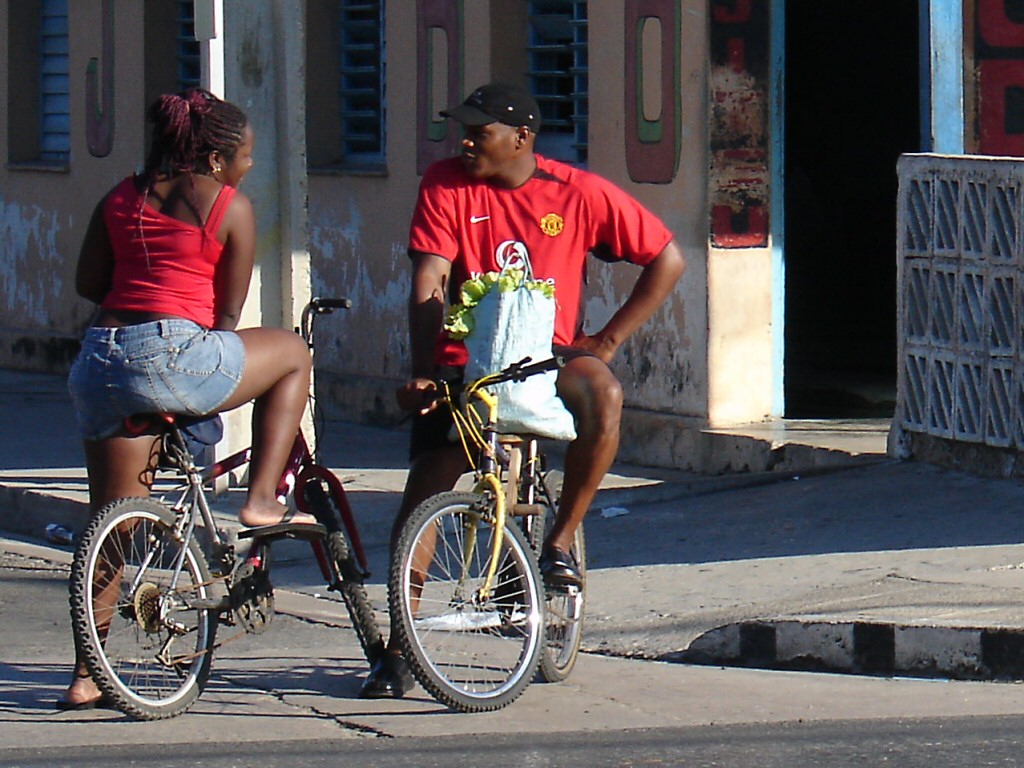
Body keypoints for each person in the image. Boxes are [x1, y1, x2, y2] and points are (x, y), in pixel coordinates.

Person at [359, 81, 687, 698]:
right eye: (464, 129)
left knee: (605, 397)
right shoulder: (446, 183)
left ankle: (559, 540)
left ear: (521, 137)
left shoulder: (577, 192)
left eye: (478, 131)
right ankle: (402, 645)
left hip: (550, 357)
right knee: (426, 488)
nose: (465, 141)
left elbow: (666, 258)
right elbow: (429, 279)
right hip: (468, 361)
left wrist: (608, 341)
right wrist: (428, 368)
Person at [57, 88, 315, 710]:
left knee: (110, 521)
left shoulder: (120, 195)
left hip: (100, 359)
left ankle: (85, 675)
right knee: (291, 354)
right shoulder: (230, 206)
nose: (250, 166)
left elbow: (89, 283)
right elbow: (227, 313)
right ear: (218, 159)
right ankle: (260, 499)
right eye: (247, 156)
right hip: (173, 350)